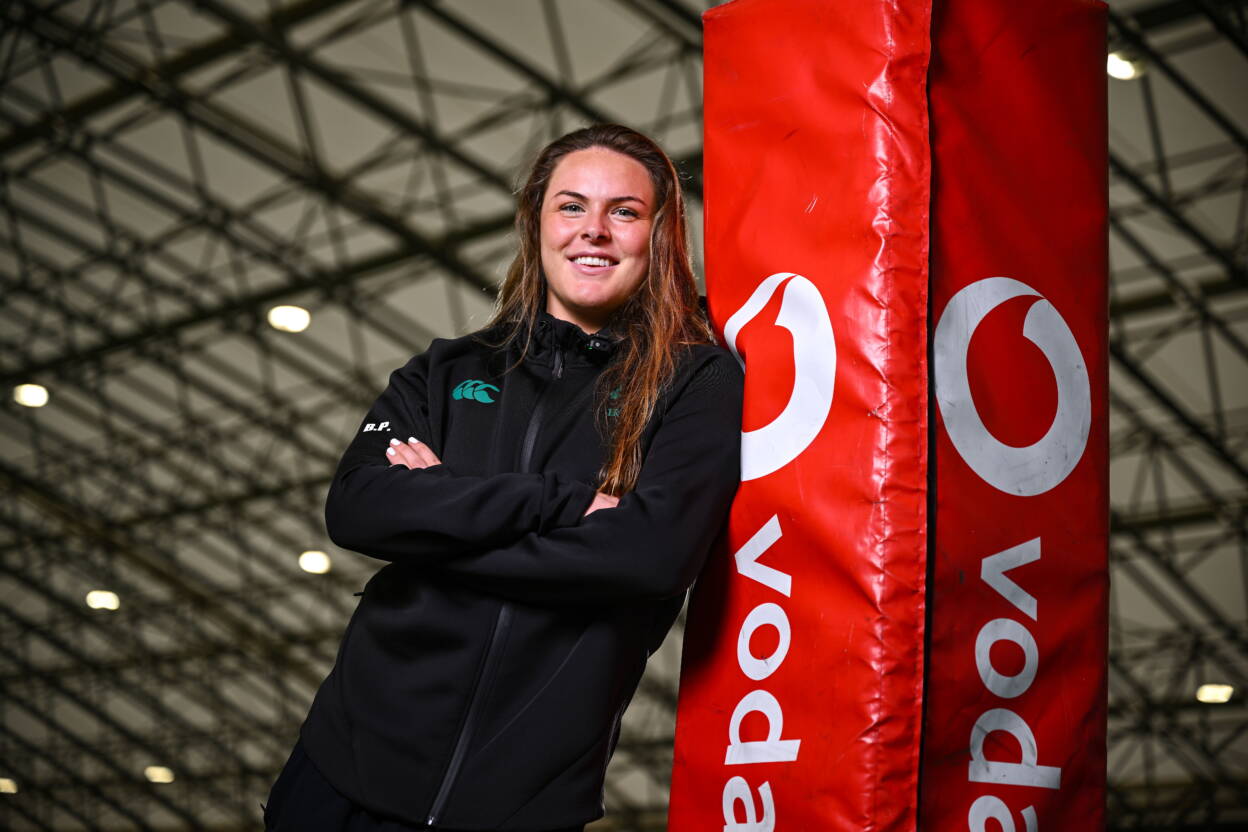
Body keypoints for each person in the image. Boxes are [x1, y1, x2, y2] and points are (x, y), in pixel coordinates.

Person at [262, 124, 744, 832]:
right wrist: (562, 503)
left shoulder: (693, 383)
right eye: (572, 207)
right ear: (537, 224)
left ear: (660, 236)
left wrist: (436, 527)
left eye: (625, 212)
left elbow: (651, 555)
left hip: (524, 805)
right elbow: (359, 508)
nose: (595, 232)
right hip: (340, 774)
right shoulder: (448, 370)